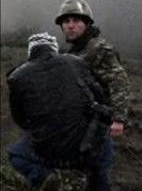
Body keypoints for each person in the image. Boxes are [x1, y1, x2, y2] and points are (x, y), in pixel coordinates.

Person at [7, 33, 114, 191]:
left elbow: (19, 118)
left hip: (47, 152)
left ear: (31, 52)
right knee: (105, 145)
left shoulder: (17, 77)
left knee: (15, 154)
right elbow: (101, 96)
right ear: (54, 48)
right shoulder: (76, 62)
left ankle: (44, 176)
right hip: (86, 147)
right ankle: (98, 183)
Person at [56, 0, 133, 141]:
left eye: (76, 21)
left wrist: (118, 120)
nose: (70, 26)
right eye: (66, 21)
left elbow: (120, 82)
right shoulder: (73, 53)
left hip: (99, 123)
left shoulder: (99, 49)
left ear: (87, 24)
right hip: (79, 122)